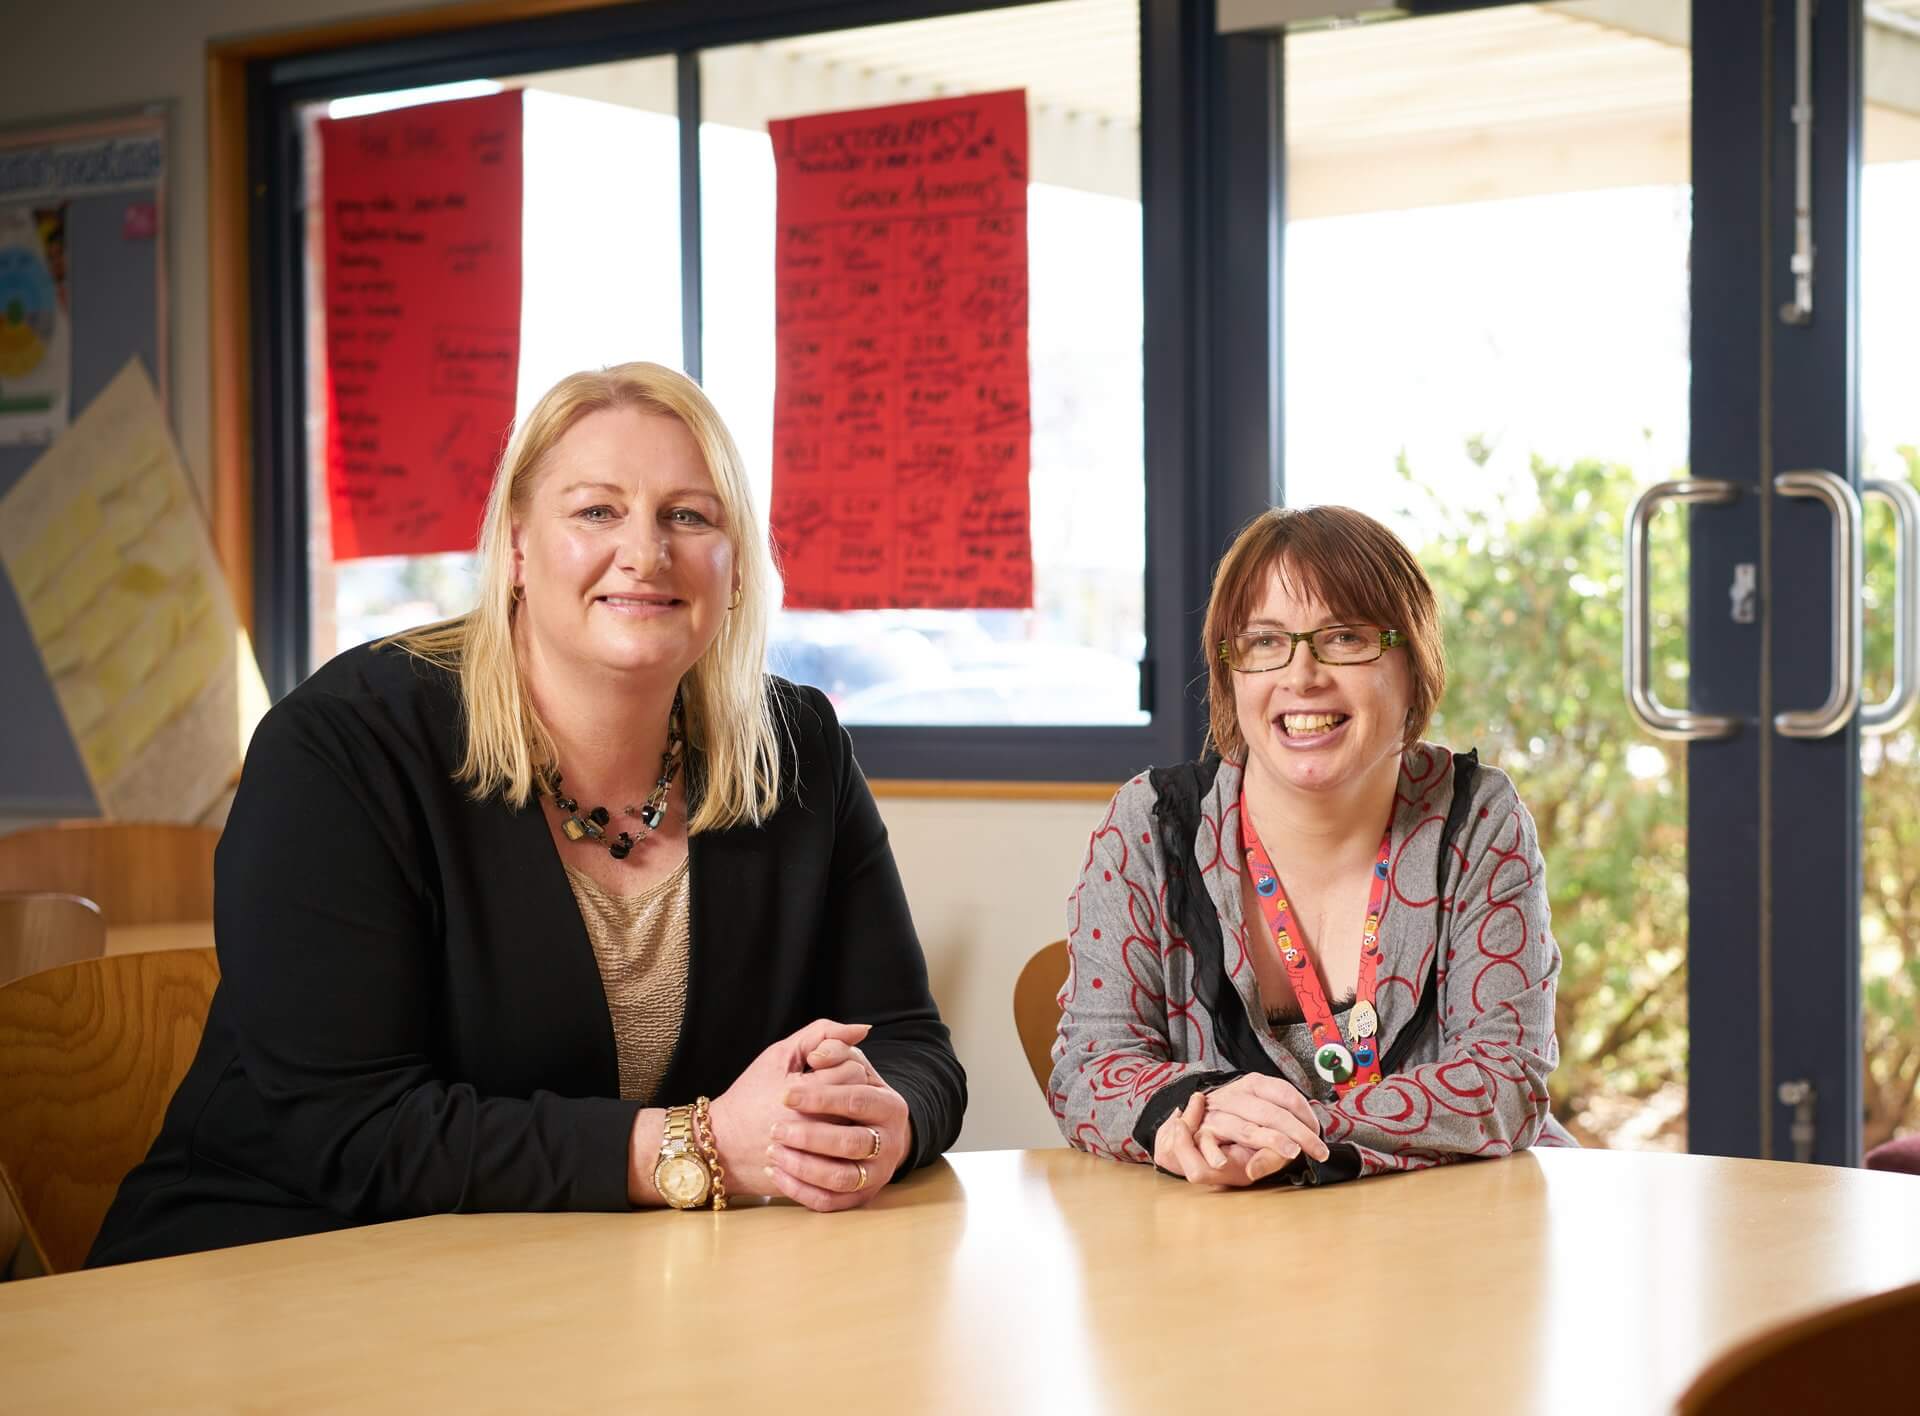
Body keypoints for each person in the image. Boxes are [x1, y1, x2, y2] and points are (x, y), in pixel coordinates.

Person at [90, 362, 965, 1264]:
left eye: (690, 515)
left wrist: (875, 1122)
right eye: (596, 511)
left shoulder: (799, 746)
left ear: (735, 564)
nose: (646, 552)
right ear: (514, 547)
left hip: (594, 1283)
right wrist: (696, 1148)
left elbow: (910, 1045)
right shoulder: (341, 747)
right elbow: (345, 1128)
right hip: (274, 1269)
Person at [1052, 504, 1573, 1187]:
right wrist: (1189, 1112)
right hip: (1223, 1252)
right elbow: (1088, 1068)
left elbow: (1503, 1079)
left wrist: (1282, 1132)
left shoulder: (1477, 816)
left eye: (1345, 638)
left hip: (1448, 1239)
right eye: (1265, 642)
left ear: (1411, 665)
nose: (1301, 676)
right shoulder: (1151, 824)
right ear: (1230, 671)